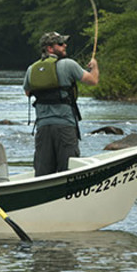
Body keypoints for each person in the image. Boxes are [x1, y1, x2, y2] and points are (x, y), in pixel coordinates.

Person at [23, 31, 99, 176]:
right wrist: (94, 66)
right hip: (65, 126)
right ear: (50, 48)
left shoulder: (31, 69)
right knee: (68, 171)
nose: (65, 45)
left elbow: (27, 92)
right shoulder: (68, 64)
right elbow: (93, 80)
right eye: (60, 43)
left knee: (43, 173)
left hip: (42, 127)